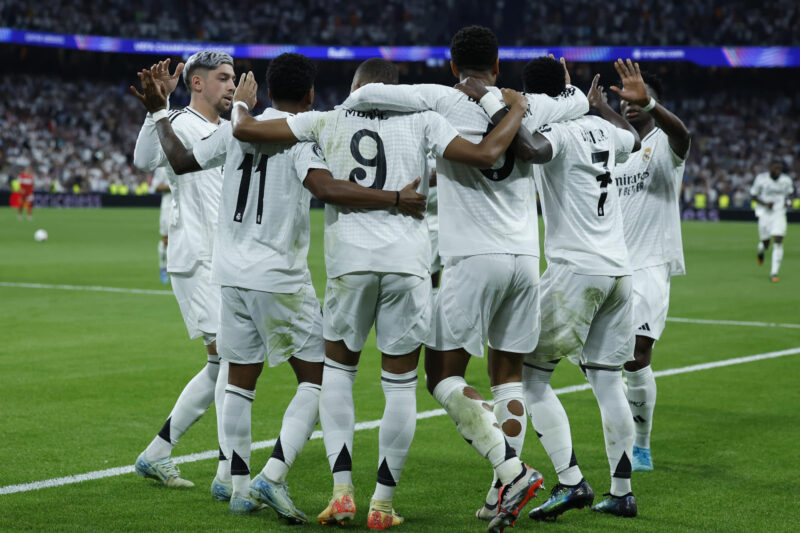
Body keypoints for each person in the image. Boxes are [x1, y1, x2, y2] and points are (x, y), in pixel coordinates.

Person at [230, 56, 529, 531]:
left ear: (356, 86)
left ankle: (342, 492)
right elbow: (486, 154)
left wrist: (241, 108)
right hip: (408, 265)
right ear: (397, 89)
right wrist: (516, 109)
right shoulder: (424, 119)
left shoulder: (326, 118)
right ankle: (382, 505)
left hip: (350, 262)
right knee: (399, 387)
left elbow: (247, 132)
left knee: (338, 377)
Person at [134, 52, 426, 522]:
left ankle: (240, 486)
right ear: (309, 95)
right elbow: (328, 187)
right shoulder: (307, 133)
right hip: (280, 278)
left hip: (229, 274)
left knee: (239, 379)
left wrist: (157, 113)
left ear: (266, 89)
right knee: (319, 378)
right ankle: (274, 472)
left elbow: (181, 161)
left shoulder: (236, 127)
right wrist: (395, 198)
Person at [340, 27, 590, 533]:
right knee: (508, 378)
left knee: (442, 376)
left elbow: (363, 93)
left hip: (472, 258)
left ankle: (511, 471)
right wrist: (531, 93)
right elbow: (581, 100)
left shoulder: (438, 99)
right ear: (497, 65)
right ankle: (503, 494)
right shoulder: (528, 105)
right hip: (524, 257)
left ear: (454, 67)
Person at [514, 57, 641, 519]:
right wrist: (599, 107)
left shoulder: (561, 133)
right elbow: (632, 139)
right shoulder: (605, 129)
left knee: (531, 377)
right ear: (567, 83)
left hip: (575, 270)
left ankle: (572, 482)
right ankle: (622, 492)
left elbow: (530, 149)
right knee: (609, 382)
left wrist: (508, 110)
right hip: (619, 271)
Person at [130, 52, 234, 490]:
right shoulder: (177, 122)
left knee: (222, 365)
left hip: (228, 258)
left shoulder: (230, 129)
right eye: (223, 78)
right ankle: (231, 469)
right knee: (230, 359)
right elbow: (141, 160)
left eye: (232, 78)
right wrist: (158, 110)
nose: (231, 86)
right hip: (195, 257)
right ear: (197, 83)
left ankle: (156, 453)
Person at [612, 59, 691, 472]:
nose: (627, 105)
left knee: (637, 356)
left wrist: (652, 103)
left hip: (649, 265)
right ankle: (622, 440)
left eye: (634, 98)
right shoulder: (616, 151)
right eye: (622, 99)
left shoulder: (663, 143)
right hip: (612, 266)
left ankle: (641, 446)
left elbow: (683, 135)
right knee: (609, 361)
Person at [750, 159, 794, 282]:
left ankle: (774, 273)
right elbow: (753, 195)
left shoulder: (786, 180)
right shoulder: (761, 179)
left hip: (779, 213)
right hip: (764, 213)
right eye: (776, 168)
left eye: (780, 169)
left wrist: (788, 202)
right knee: (766, 243)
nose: (778, 171)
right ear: (770, 167)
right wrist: (764, 203)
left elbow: (790, 193)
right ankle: (761, 250)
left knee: (778, 240)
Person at [150, 167, 172, 284]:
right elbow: (155, 186)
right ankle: (163, 267)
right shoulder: (163, 168)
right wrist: (173, 186)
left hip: (184, 206)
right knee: (166, 239)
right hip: (168, 206)